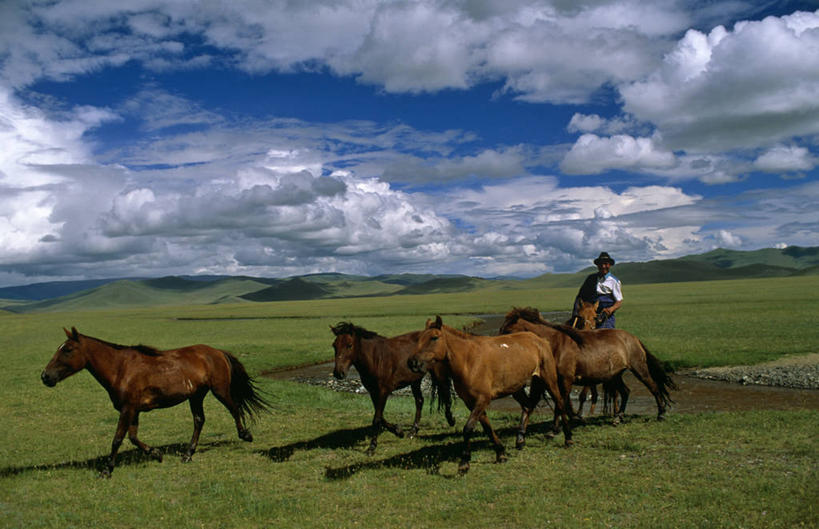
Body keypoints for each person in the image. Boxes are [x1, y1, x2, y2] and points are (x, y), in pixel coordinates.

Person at [574, 252, 622, 328]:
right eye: (601, 264)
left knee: (607, 337)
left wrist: (610, 309)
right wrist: (576, 313)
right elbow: (581, 296)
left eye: (606, 264)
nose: (603, 266)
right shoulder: (591, 279)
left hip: (605, 317)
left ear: (609, 265)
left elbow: (619, 301)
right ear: (597, 265)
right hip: (590, 315)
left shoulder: (614, 281)